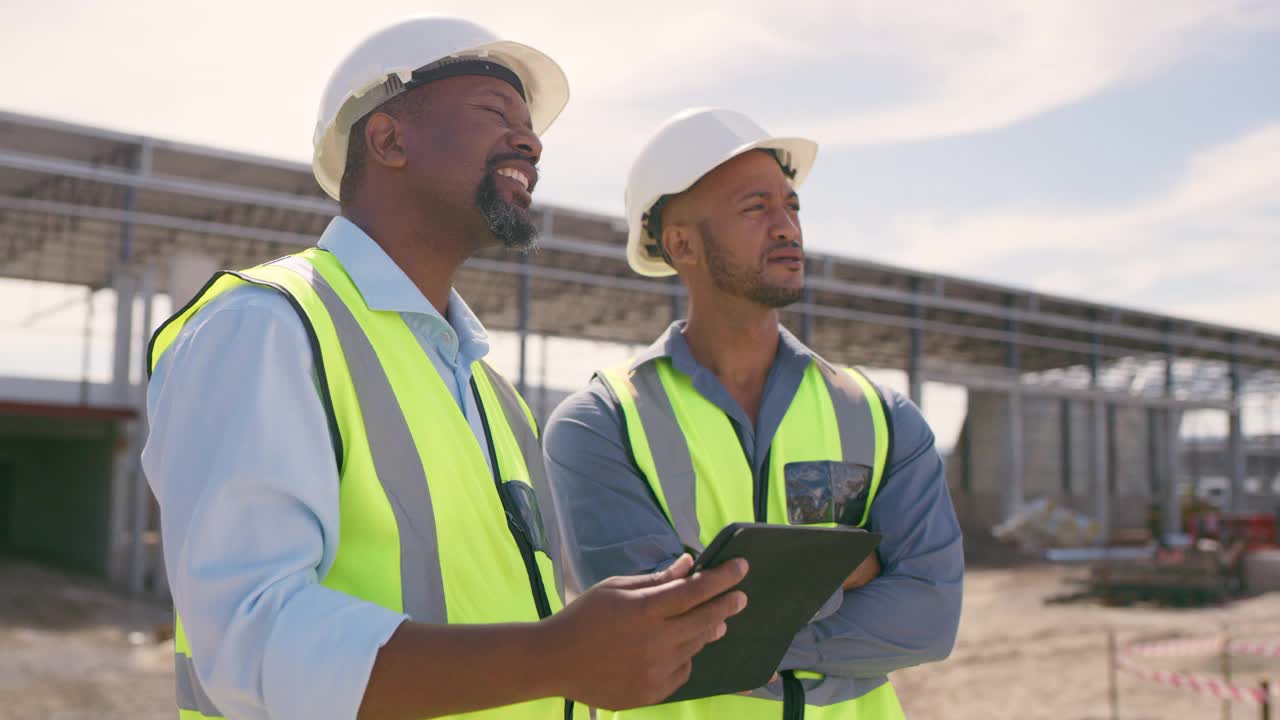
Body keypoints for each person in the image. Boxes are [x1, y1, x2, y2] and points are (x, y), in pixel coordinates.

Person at [142, 20, 747, 720]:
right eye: (495, 113)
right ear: (389, 139)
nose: (531, 142)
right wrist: (555, 656)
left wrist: (589, 653)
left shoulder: (492, 393)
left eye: (530, 127)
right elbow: (251, 640)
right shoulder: (267, 327)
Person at [543, 108, 964, 720]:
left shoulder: (880, 416)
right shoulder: (601, 424)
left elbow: (930, 616)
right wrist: (845, 577)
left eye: (791, 206)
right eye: (755, 208)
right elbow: (657, 636)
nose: (787, 226)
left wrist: (755, 631)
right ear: (680, 242)